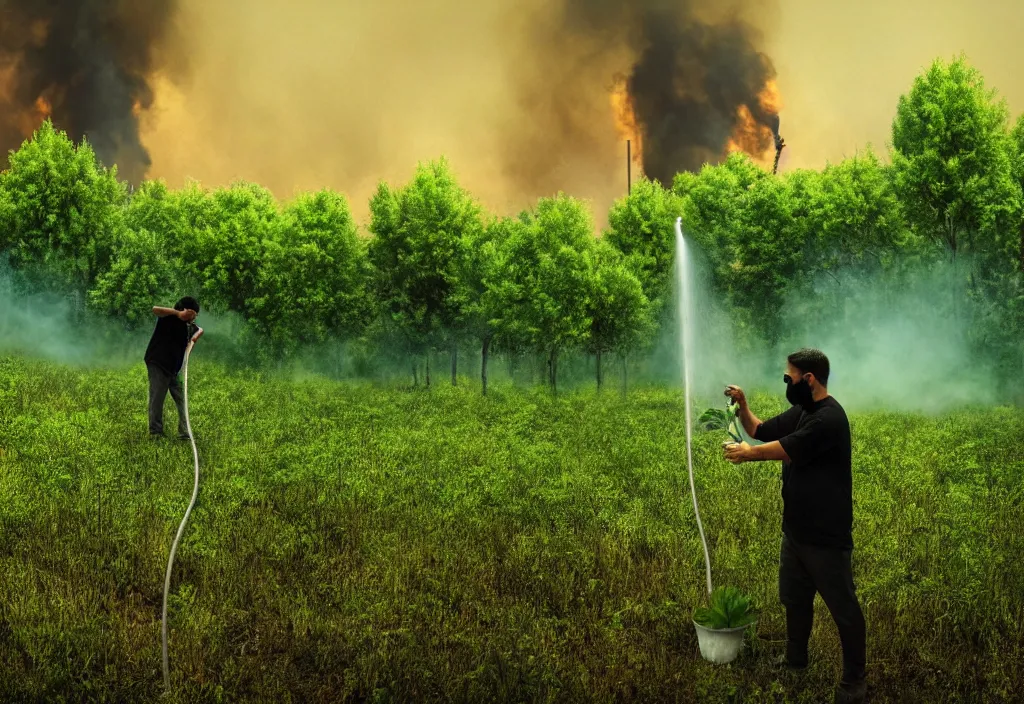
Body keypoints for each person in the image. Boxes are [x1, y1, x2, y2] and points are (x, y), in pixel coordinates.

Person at [722, 348, 867, 704]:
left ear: (809, 379)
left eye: (789, 377)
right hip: (796, 532)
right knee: (795, 599)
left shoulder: (829, 419)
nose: (786, 382)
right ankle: (795, 660)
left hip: (825, 537)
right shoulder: (803, 410)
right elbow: (760, 430)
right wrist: (742, 404)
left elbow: (786, 448)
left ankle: (854, 682)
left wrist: (747, 454)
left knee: (844, 610)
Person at [144, 297, 204, 440]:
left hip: (174, 368)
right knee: (157, 398)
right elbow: (155, 309)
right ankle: (156, 432)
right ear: (188, 311)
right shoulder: (168, 317)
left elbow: (190, 344)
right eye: (194, 313)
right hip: (159, 363)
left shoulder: (186, 327)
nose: (195, 317)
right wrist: (178, 313)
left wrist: (195, 336)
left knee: (181, 398)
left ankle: (184, 432)